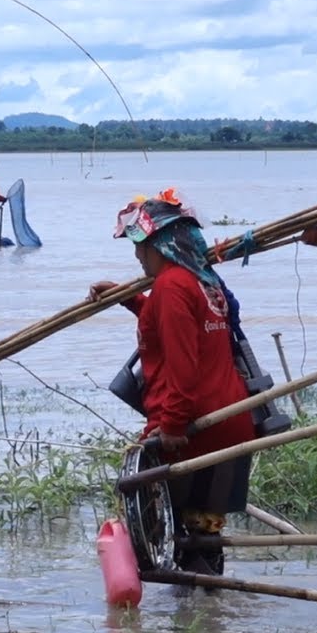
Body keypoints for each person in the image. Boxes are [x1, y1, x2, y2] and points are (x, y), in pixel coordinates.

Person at [89, 188, 257, 576]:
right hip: (228, 417)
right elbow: (176, 328)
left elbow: (183, 365)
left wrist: (172, 425)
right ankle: (207, 604)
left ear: (161, 245)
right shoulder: (201, 280)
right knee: (202, 530)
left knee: (169, 527)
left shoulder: (170, 286)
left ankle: (197, 602)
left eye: (141, 246)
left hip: (197, 425)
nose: (137, 255)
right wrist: (128, 298)